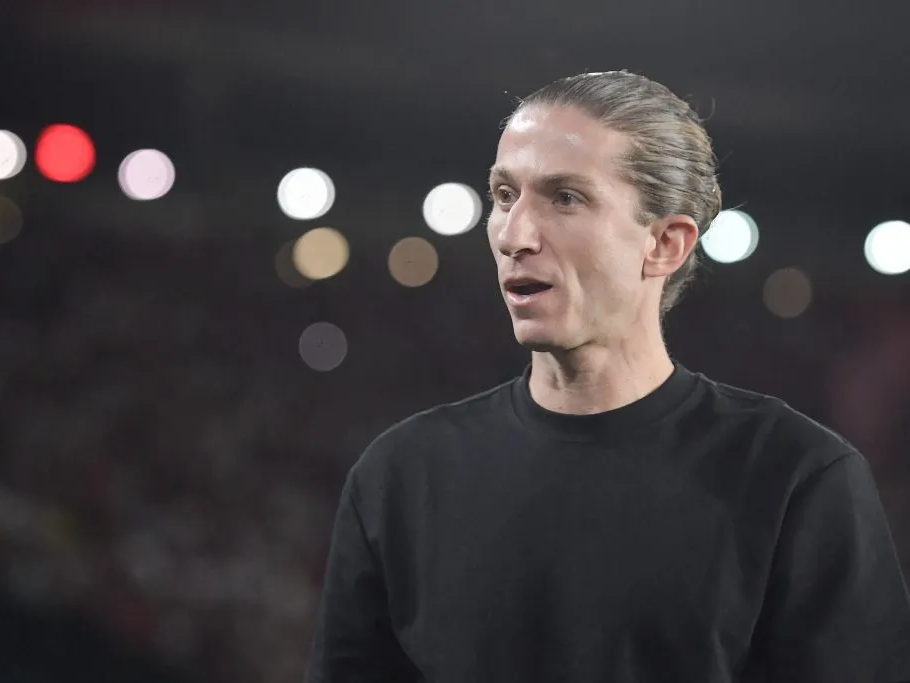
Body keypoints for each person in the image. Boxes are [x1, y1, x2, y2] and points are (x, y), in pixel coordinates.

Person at [304, 70, 910, 682]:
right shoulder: (399, 477)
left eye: (565, 198)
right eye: (505, 195)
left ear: (666, 244)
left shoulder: (797, 480)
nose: (514, 235)